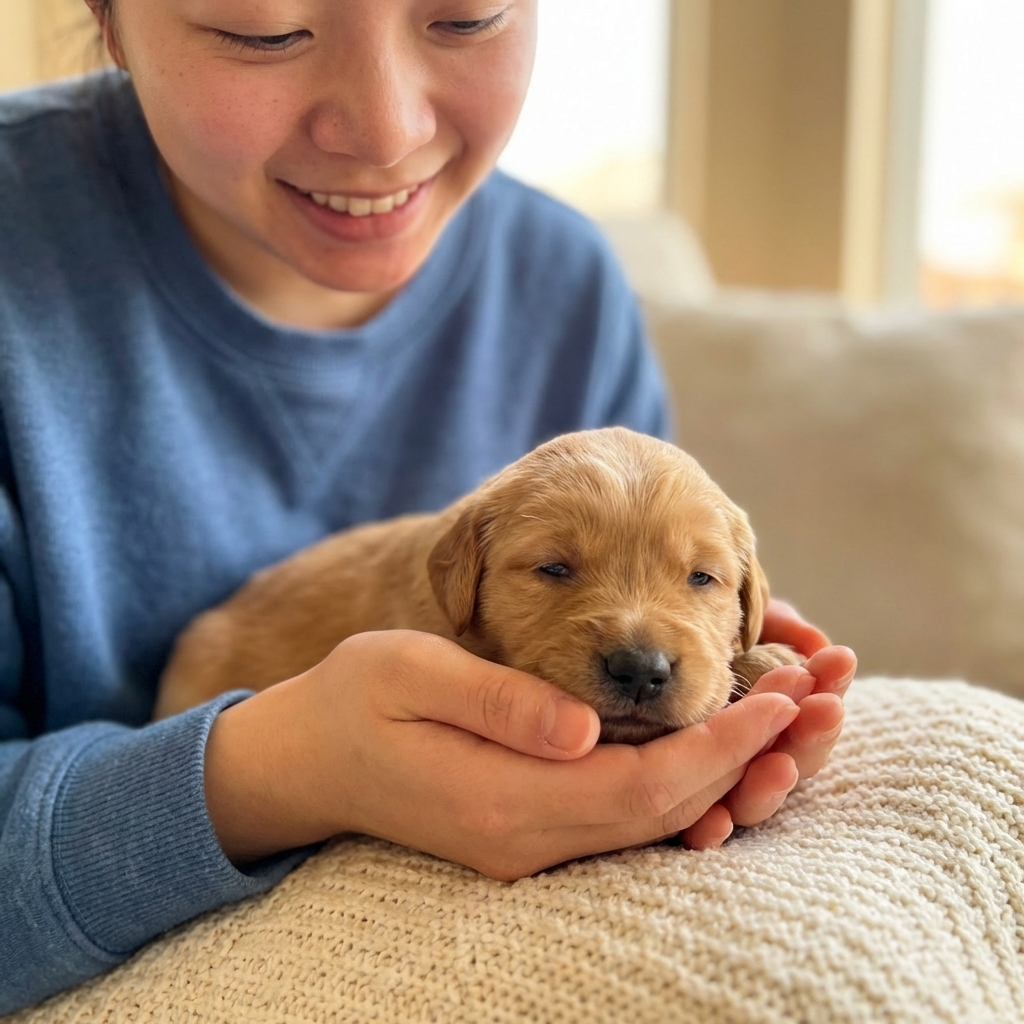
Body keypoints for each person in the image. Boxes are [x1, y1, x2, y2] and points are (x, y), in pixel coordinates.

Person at [0, 0, 856, 1013]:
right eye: (263, 30)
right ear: (108, 22)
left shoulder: (566, 286)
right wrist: (279, 773)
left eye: (466, 16)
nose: (386, 129)